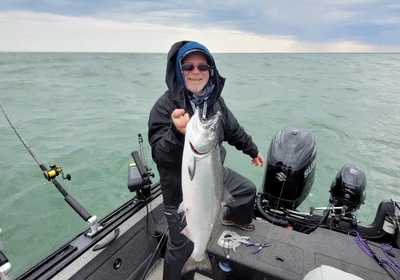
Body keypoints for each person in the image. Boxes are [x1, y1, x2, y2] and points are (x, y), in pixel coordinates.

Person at [148, 40, 265, 280]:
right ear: (179, 71)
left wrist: (252, 151)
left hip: (213, 173)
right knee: (181, 248)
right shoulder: (163, 107)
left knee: (246, 190)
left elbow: (233, 130)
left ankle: (229, 216)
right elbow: (160, 154)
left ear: (210, 69)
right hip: (179, 186)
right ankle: (192, 259)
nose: (196, 72)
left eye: (202, 66)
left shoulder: (215, 101)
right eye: (188, 66)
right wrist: (175, 132)